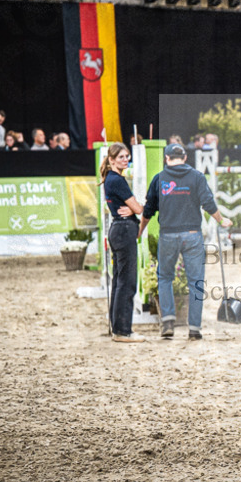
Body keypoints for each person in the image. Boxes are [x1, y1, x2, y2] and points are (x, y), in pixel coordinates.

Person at [138, 143, 232, 340]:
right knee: (196, 282)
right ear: (185, 157)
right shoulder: (197, 177)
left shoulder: (159, 179)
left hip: (168, 235)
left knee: (164, 278)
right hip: (192, 235)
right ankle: (195, 328)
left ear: (167, 158)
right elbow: (208, 203)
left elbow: (148, 210)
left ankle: (168, 323)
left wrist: (140, 231)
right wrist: (221, 220)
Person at [100, 143, 146, 343]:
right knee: (127, 282)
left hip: (118, 229)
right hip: (124, 230)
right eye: (121, 157)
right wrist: (139, 206)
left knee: (119, 281)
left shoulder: (110, 178)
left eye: (127, 156)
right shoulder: (117, 180)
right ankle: (123, 330)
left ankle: (118, 327)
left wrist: (134, 208)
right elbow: (136, 208)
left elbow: (133, 208)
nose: (125, 159)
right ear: (111, 160)